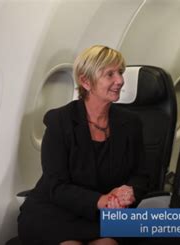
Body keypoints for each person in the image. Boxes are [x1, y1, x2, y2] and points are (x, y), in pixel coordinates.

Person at [18, 45, 149, 245]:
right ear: (86, 81)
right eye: (110, 74)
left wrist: (128, 192)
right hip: (57, 212)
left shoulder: (131, 123)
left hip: (106, 215)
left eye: (120, 72)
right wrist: (102, 200)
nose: (120, 80)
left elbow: (141, 174)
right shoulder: (60, 122)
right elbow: (56, 186)